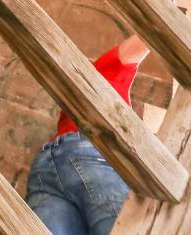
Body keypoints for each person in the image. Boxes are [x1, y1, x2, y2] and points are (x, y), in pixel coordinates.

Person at [25, 34, 150, 235]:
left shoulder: (71, 106)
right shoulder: (101, 77)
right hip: (90, 153)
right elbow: (143, 39)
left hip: (48, 167)